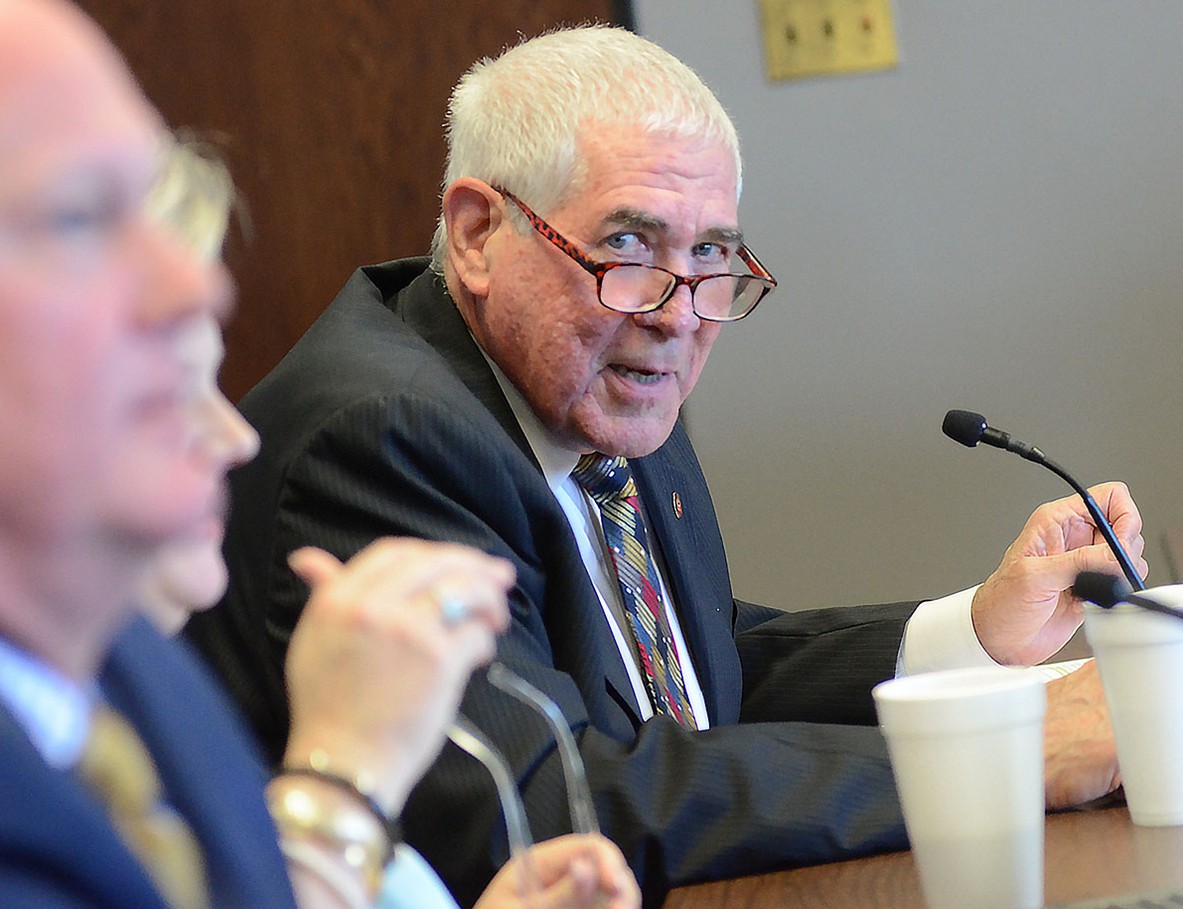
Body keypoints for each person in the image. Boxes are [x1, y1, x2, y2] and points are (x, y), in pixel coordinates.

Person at [186, 25, 1144, 906]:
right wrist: (999, 759)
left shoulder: (600, 371)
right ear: (478, 234)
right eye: (627, 243)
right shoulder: (386, 435)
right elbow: (549, 801)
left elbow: (682, 685)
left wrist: (973, 633)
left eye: (711, 254)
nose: (679, 313)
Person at [0, 5, 636, 908]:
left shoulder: (138, 669)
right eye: (76, 218)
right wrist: (340, 782)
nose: (198, 285)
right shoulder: (388, 425)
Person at [138, 135, 640, 909]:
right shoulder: (386, 425)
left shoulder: (142, 692)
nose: (236, 437)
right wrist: (341, 774)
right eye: (173, 392)